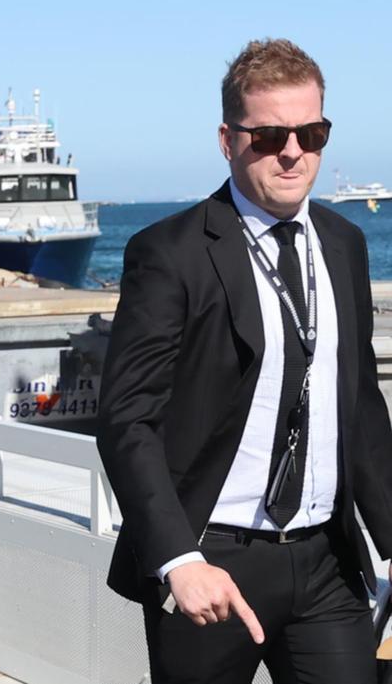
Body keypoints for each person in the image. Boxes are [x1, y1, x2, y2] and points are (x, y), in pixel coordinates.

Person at [97, 39, 391, 684]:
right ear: (228, 140)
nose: (292, 152)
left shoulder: (342, 244)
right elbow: (126, 420)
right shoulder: (170, 252)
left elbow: (361, 408)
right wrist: (178, 559)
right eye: (269, 136)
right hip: (213, 559)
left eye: (311, 133)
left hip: (326, 560)